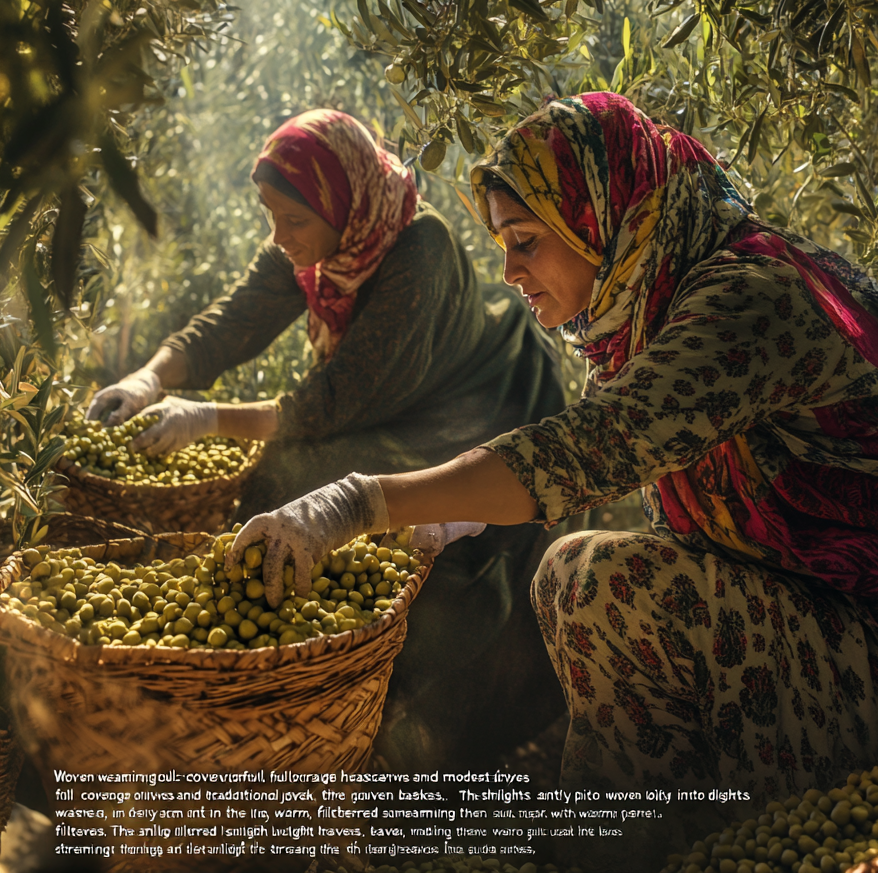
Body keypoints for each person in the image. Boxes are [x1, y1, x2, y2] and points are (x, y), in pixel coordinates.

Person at [227, 92, 878, 865]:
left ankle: (630, 845)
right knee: (578, 568)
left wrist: (357, 502)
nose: (507, 271)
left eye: (527, 242)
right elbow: (600, 472)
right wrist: (460, 516)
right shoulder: (650, 311)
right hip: (848, 627)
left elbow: (589, 449)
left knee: (591, 582)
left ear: (602, 221)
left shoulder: (750, 299)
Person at [86, 108, 568, 770]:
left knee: (423, 563)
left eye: (291, 221)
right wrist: (151, 377)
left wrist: (207, 417)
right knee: (298, 487)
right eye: (270, 216)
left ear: (342, 204)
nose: (278, 237)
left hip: (469, 409)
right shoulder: (315, 233)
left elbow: (333, 402)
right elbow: (236, 320)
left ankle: (389, 724)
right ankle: (287, 682)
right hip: (384, 402)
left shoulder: (417, 252)